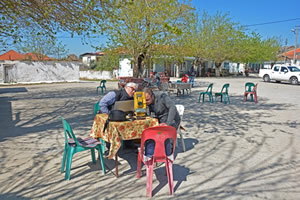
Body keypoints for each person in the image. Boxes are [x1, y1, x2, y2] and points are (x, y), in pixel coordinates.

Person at [143, 88, 181, 157]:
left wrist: (167, 124)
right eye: (144, 100)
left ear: (152, 96)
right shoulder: (148, 103)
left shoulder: (162, 96)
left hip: (171, 119)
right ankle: (151, 151)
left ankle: (167, 151)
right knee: (148, 130)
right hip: (160, 119)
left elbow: (172, 108)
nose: (145, 102)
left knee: (162, 132)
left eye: (147, 100)